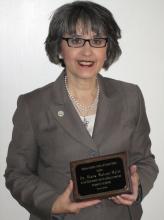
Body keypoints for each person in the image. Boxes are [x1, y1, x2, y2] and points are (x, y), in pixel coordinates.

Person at [4, 1, 158, 220]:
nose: (87, 51)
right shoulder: (33, 105)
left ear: (108, 48)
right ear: (59, 47)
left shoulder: (131, 96)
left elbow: (145, 160)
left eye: (97, 40)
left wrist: (137, 185)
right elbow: (17, 174)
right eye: (76, 40)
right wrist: (53, 204)